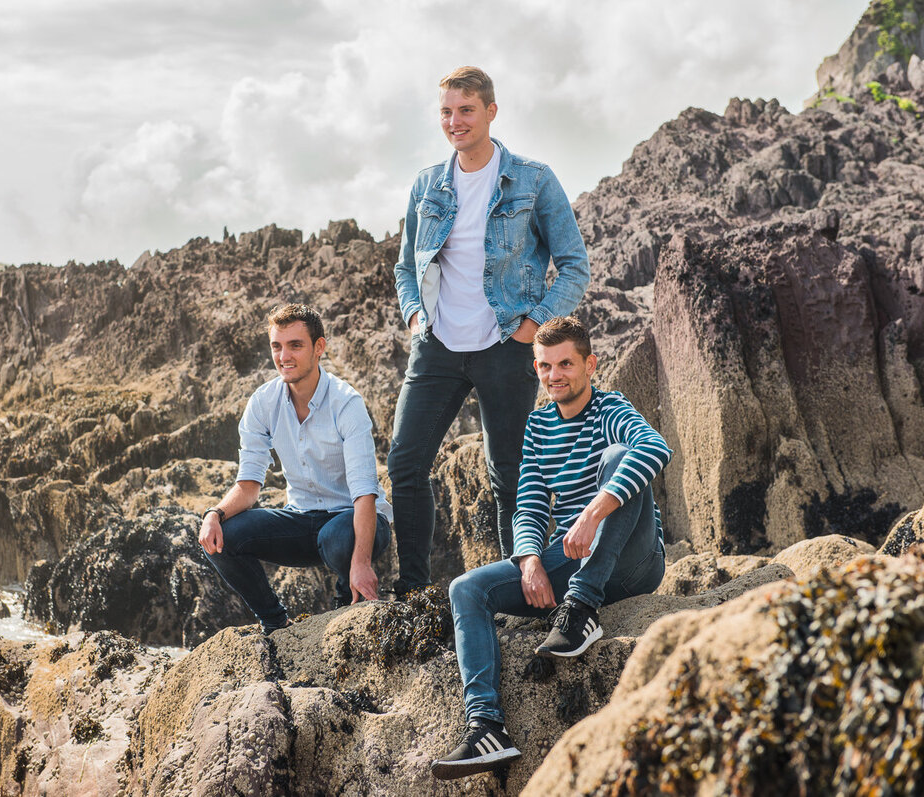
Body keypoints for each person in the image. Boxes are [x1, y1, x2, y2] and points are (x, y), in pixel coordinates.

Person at [430, 316, 671, 780]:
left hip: (635, 560)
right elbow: (529, 505)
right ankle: (485, 727)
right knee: (466, 589)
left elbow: (654, 447)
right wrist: (530, 559)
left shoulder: (610, 408)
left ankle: (580, 610)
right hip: (576, 558)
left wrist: (591, 513)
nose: (554, 375)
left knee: (621, 457)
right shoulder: (539, 425)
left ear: (590, 365)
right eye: (544, 366)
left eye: (565, 364)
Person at [389, 65, 590, 597]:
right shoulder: (428, 184)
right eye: (446, 112)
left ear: (491, 112)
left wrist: (532, 327)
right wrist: (415, 316)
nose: (455, 122)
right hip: (437, 346)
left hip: (505, 345)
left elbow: (574, 264)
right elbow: (406, 267)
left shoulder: (533, 179)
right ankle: (412, 589)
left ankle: (514, 586)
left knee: (510, 475)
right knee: (405, 463)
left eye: (466, 110)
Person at [199, 304, 393, 633]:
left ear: (319, 347)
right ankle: (275, 622)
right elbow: (248, 485)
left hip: (355, 521)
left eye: (295, 345)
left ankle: (345, 606)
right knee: (220, 537)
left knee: (337, 537)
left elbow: (364, 493)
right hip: (301, 521)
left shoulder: (347, 404)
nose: (284, 356)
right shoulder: (263, 403)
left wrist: (360, 563)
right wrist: (214, 514)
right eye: (277, 346)